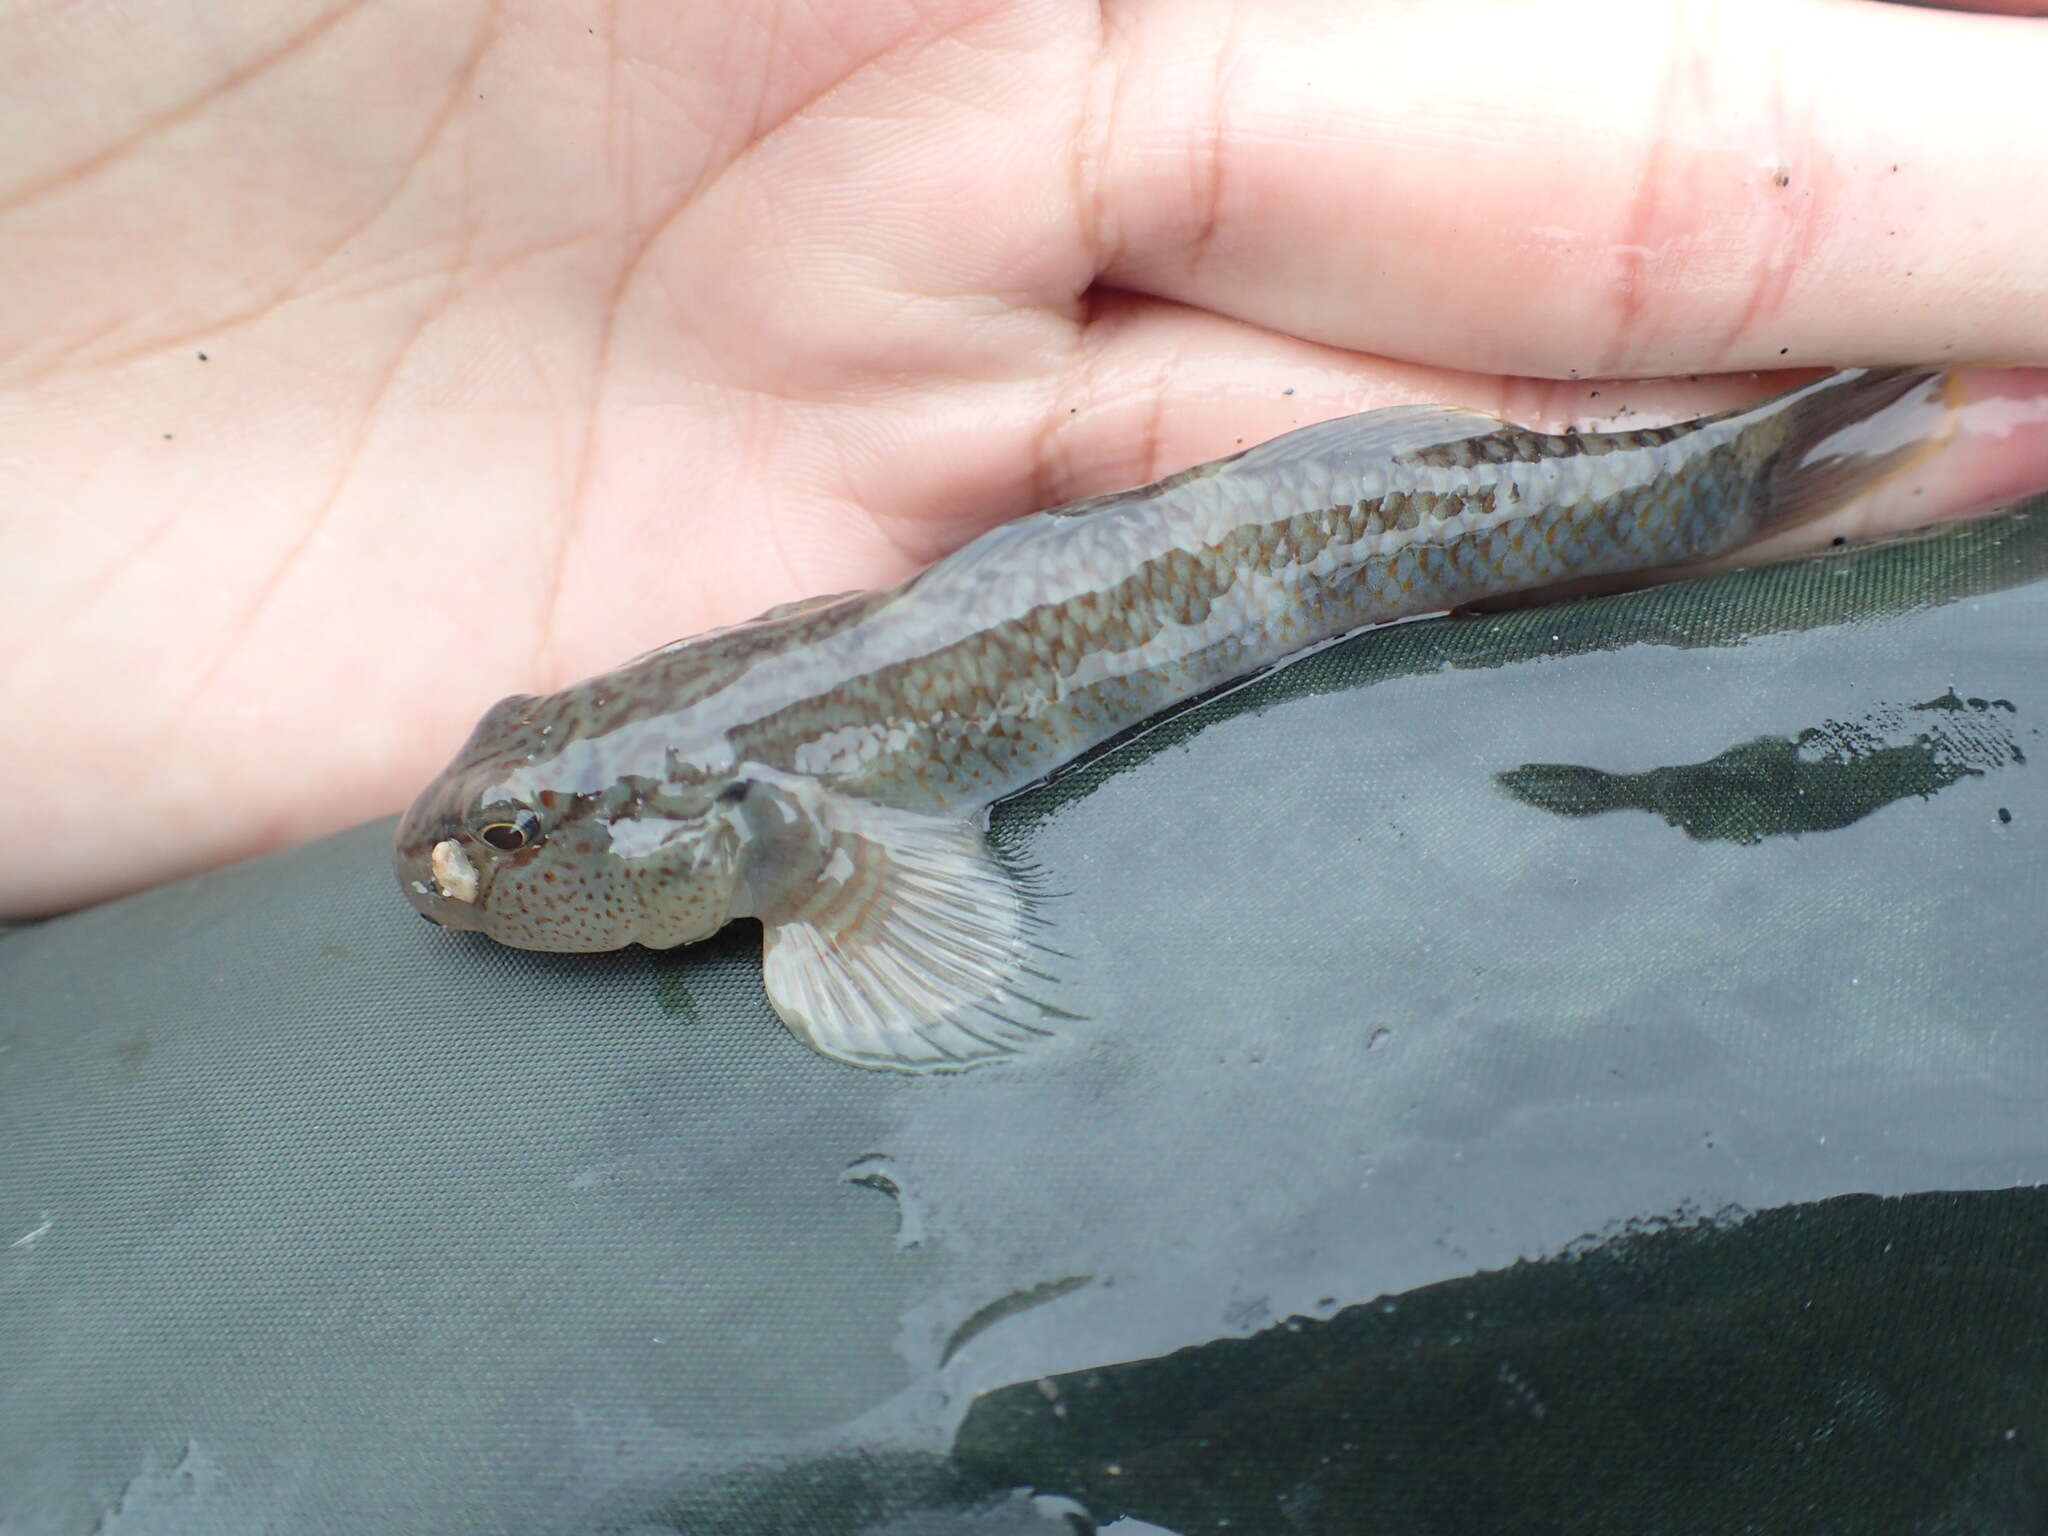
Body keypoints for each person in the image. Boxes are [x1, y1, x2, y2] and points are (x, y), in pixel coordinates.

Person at [4, 0, 2046, 921]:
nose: (470, 858)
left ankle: (1846, 408)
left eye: (532, 823)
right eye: (530, 816)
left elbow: (914, 946)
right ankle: (1846, 407)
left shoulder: (772, 796)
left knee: (1631, 487)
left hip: (1327, 520)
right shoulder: (748, 781)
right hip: (1261, 522)